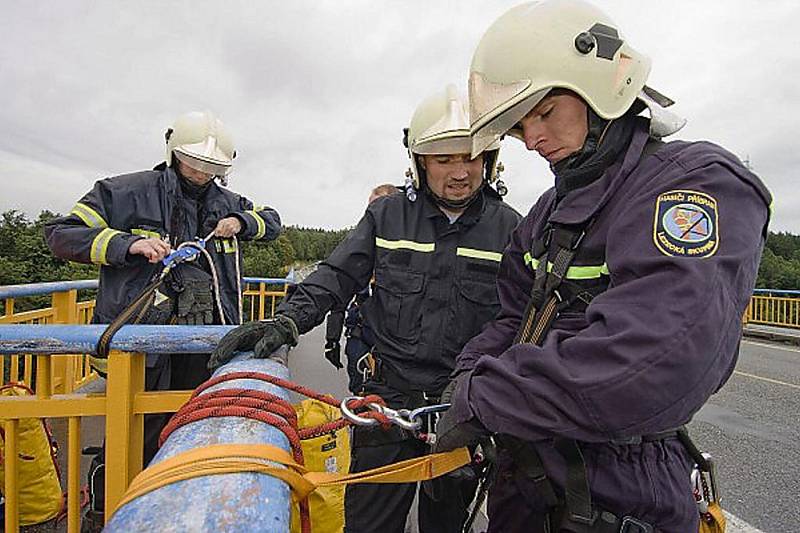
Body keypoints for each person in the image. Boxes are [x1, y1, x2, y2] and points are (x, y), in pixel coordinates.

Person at [430, 2, 772, 532]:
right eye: (521, 126)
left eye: (545, 113)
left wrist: (485, 399)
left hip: (619, 487)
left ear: (600, 89)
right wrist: (462, 385)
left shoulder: (692, 186)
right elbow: (513, 320)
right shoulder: (547, 213)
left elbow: (652, 361)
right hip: (526, 478)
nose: (534, 138)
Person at [210, 85, 522, 533]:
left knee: (449, 522)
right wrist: (287, 320)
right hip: (388, 402)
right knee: (369, 523)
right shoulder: (387, 215)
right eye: (444, 159)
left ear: (490, 161)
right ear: (419, 163)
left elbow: (523, 318)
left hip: (462, 406)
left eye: (471, 157)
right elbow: (337, 276)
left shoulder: (512, 228)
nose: (460, 172)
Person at [44, 110, 281, 530]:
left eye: (213, 167)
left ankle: (178, 504)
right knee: (134, 430)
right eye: (196, 163)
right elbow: (61, 234)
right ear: (174, 153)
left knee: (193, 421)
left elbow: (272, 223)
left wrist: (243, 222)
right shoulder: (125, 192)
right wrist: (127, 243)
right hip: (140, 344)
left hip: (202, 338)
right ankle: (111, 506)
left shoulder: (228, 203)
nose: (203, 172)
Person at [323, 183, 399, 393]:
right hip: (361, 334)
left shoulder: (412, 248)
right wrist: (332, 339)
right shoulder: (361, 245)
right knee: (360, 391)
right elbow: (341, 291)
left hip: (398, 342)